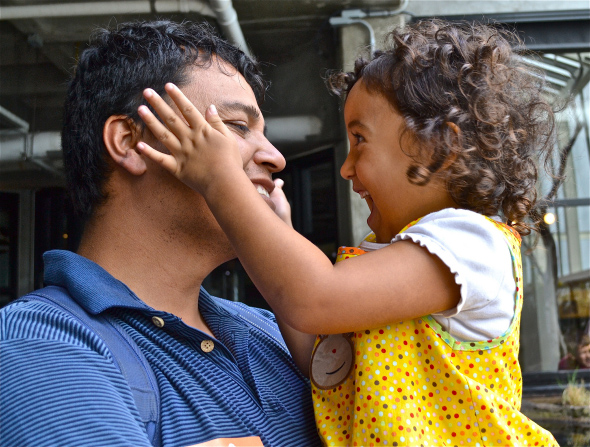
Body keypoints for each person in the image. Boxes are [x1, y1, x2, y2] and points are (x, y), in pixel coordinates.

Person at [135, 19, 560, 446]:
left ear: (439, 149)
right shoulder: (399, 258)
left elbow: (313, 298)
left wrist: (220, 180)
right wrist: (278, 230)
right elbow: (323, 363)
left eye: (360, 140)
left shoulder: (472, 245)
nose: (346, 167)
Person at [0, 20, 321, 447]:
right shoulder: (39, 345)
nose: (276, 157)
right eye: (238, 127)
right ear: (131, 141)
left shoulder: (274, 329)